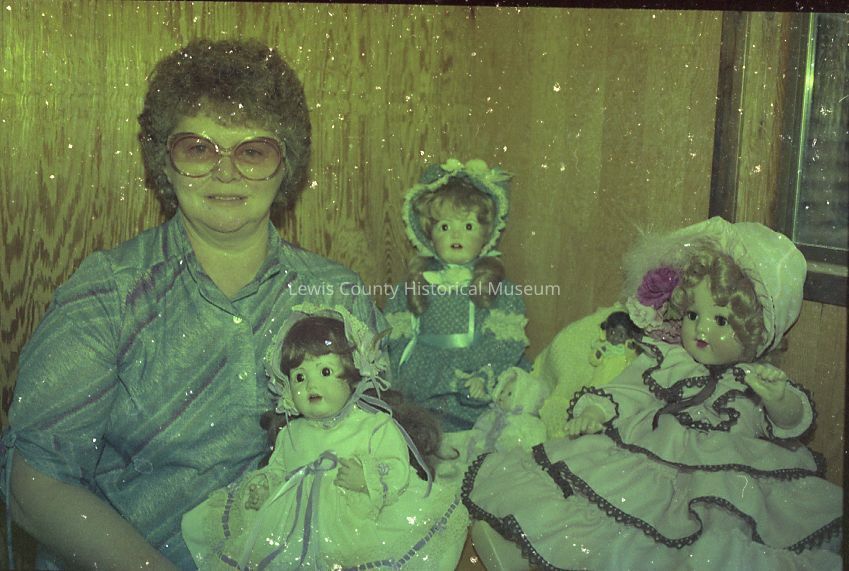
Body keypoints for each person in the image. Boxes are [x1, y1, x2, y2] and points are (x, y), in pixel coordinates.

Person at [1, 39, 382, 570]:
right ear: (166, 161)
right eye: (199, 149)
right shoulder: (108, 292)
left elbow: (382, 455)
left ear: (286, 165)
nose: (226, 173)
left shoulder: (338, 296)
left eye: (252, 152)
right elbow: (35, 483)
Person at [462, 217, 843, 570]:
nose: (701, 329)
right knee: (615, 513)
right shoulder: (671, 360)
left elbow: (791, 421)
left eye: (720, 320)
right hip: (651, 461)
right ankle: (543, 548)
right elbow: (628, 389)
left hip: (729, 482)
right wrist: (595, 412)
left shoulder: (755, 380)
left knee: (712, 543)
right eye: (693, 315)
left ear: (757, 331)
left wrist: (776, 398)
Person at [181, 305, 469, 569]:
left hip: (356, 528)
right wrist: (266, 487)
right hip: (290, 535)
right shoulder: (292, 434)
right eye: (300, 377)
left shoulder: (373, 425)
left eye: (325, 371)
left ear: (353, 376)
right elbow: (278, 470)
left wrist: (367, 478)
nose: (311, 385)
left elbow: (396, 468)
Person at [384, 158, 529, 432]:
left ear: (487, 234)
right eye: (445, 226)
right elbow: (397, 334)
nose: (456, 235)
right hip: (423, 378)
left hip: (473, 374)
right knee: (413, 427)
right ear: (428, 234)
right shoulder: (413, 284)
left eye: (469, 226)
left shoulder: (496, 287)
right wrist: (406, 370)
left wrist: (483, 372)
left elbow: (502, 341)